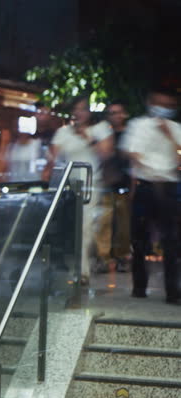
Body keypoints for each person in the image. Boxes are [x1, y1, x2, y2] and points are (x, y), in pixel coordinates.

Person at [45, 95, 114, 283]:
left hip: (91, 185)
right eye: (75, 109)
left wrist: (88, 138)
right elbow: (53, 155)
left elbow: (107, 152)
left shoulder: (100, 129)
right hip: (68, 187)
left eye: (82, 109)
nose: (79, 113)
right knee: (69, 228)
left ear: (89, 111)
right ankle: (74, 265)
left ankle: (82, 271)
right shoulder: (63, 132)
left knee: (85, 227)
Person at [122, 86, 180, 304]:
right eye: (159, 103)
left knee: (171, 242)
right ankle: (139, 288)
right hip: (145, 185)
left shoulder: (176, 128)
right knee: (139, 240)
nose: (163, 108)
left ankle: (173, 292)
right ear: (150, 102)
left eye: (168, 105)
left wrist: (169, 136)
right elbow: (132, 154)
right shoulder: (138, 126)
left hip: (167, 187)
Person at [95, 101, 133, 273]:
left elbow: (133, 164)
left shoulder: (130, 135)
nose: (115, 116)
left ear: (124, 114)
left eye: (118, 112)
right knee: (104, 224)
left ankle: (123, 256)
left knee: (123, 226)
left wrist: (134, 187)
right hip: (106, 186)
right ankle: (103, 258)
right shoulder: (104, 135)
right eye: (111, 113)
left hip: (124, 186)